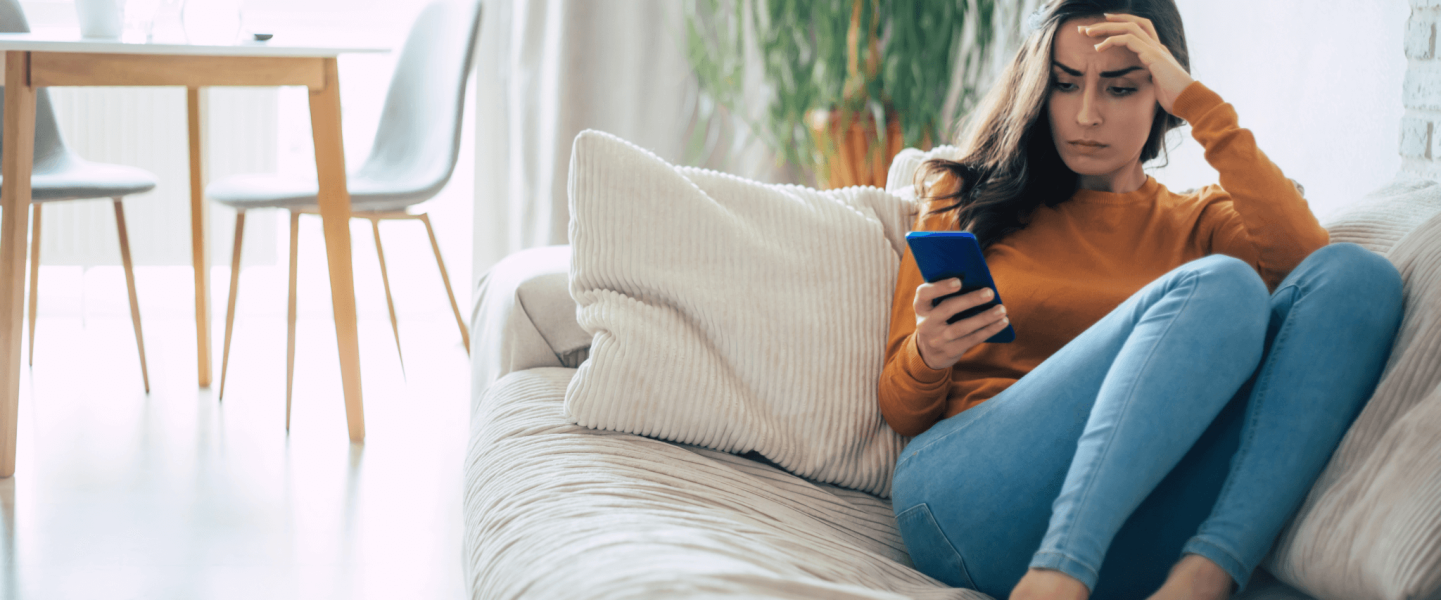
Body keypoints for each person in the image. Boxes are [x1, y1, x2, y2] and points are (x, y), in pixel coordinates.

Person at [880, 1, 1405, 599]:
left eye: (1121, 88)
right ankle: (1057, 572)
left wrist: (1199, 104)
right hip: (970, 500)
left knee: (1360, 278)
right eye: (1065, 83)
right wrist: (930, 354)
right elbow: (901, 410)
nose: (1086, 114)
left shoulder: (1199, 221)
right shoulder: (965, 192)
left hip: (1134, 533)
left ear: (1161, 96)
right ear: (1037, 87)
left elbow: (1310, 261)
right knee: (1222, 284)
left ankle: (1208, 571)